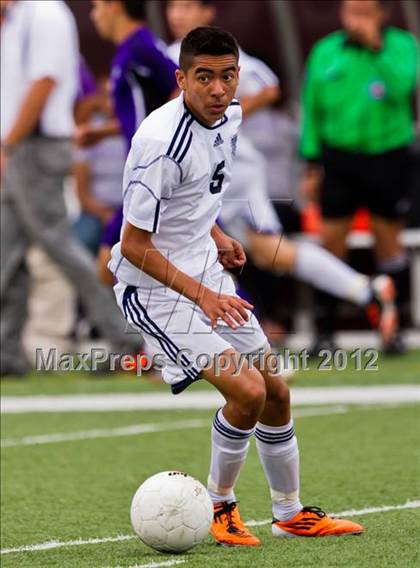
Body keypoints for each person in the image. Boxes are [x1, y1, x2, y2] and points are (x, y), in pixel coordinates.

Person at [110, 26, 364, 545]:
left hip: (205, 272)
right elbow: (134, 244)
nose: (218, 89)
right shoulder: (159, 143)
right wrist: (202, 293)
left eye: (227, 76)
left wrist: (219, 234)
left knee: (275, 392)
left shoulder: (231, 116)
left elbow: (197, 198)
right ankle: (221, 508)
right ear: (181, 79)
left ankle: (290, 513)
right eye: (204, 77)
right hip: (153, 288)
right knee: (246, 392)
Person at [166, 0, 398, 350]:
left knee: (182, 249)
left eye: (186, 6)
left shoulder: (215, 53)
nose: (177, 14)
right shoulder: (166, 52)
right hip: (197, 171)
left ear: (208, 11)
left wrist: (221, 113)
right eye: (172, 6)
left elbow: (269, 86)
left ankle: (224, 343)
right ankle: (363, 290)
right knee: (264, 252)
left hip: (228, 172)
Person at [0, 0, 138, 376]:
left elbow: (44, 81)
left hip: (35, 146)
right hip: (21, 146)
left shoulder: (44, 13)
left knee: (59, 246)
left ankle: (125, 340)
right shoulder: (16, 18)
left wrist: (8, 144)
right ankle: (6, 353)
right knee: (8, 252)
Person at [300, 0, 419, 354]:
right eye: (351, 12)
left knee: (389, 243)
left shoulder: (401, 46)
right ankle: (324, 331)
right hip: (339, 158)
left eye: (364, 13)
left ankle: (392, 327)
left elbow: (402, 89)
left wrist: (376, 48)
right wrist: (310, 163)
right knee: (331, 243)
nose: (356, 20)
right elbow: (312, 109)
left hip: (387, 155)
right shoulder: (326, 51)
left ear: (382, 14)